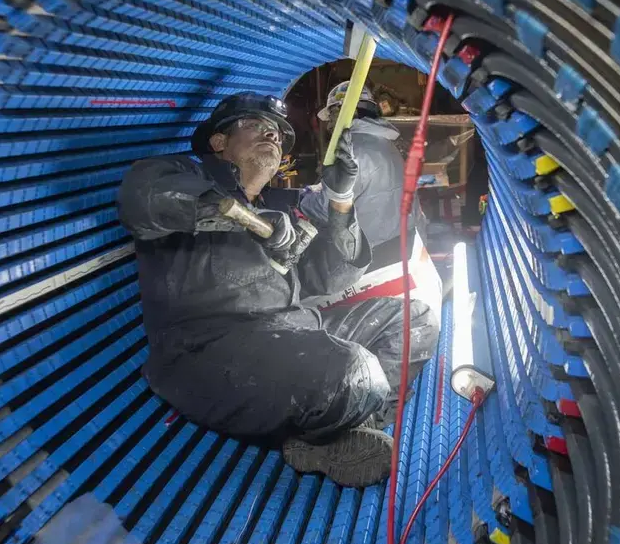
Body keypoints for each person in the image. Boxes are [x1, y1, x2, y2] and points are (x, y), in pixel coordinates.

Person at [117, 92, 438, 488]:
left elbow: (329, 277)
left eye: (278, 134)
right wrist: (244, 217)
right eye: (255, 126)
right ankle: (338, 421)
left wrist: (340, 199)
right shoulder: (181, 173)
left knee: (414, 317)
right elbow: (143, 200)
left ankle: (353, 431)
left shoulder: (285, 204)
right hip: (209, 354)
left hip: (294, 335)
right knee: (350, 370)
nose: (271, 135)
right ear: (219, 142)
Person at [302, 81, 423, 248]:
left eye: (331, 116)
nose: (329, 125)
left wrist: (302, 199)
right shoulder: (383, 142)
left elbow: (326, 209)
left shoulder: (351, 151)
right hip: (404, 242)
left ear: (345, 112)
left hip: (373, 255)